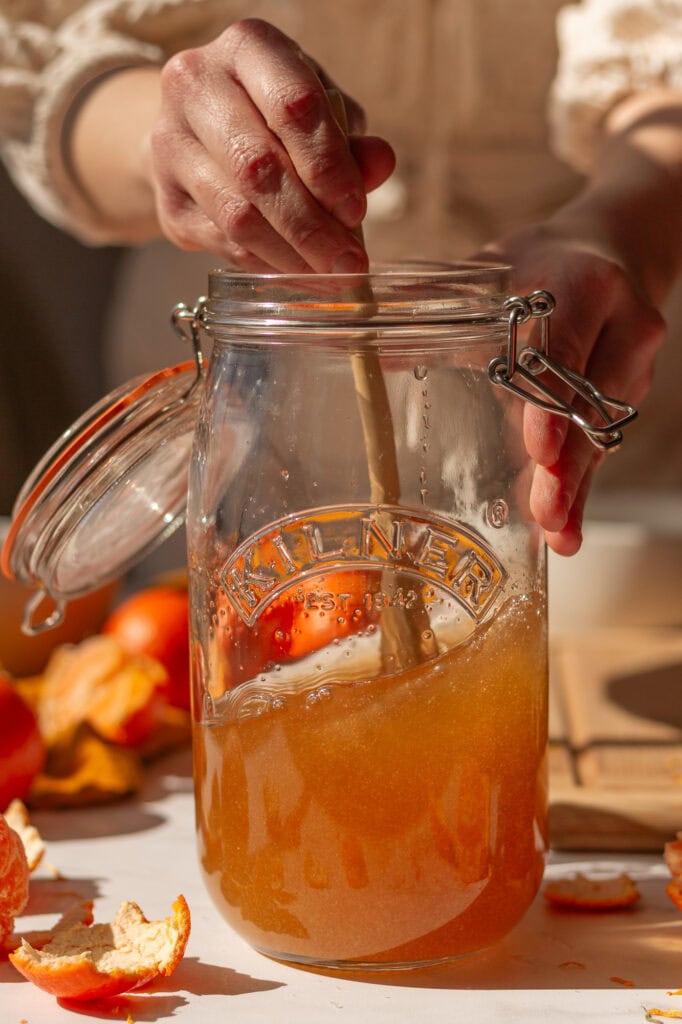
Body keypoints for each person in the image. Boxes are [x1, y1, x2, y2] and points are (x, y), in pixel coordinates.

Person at [1, 0, 681, 557]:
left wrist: (621, 228)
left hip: (602, 472)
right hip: (243, 481)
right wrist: (171, 142)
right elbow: (40, 61)